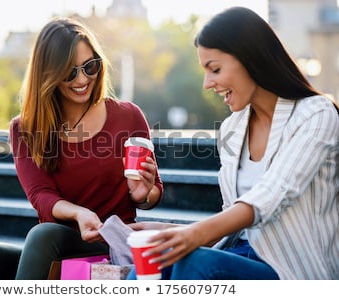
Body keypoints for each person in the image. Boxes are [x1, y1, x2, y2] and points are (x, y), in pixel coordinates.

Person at [127, 6, 338, 280]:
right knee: (153, 264)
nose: (207, 83)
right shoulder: (232, 128)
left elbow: (273, 193)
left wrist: (192, 235)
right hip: (238, 254)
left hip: (292, 270)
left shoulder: (315, 114)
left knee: (196, 264)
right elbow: (233, 218)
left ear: (251, 59)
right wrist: (168, 230)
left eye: (214, 69)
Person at [0, 17, 163, 280]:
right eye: (70, 72)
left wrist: (143, 193)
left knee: (43, 234)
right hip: (56, 246)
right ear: (48, 74)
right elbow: (41, 195)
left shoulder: (128, 115)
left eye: (90, 66)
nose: (83, 78)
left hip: (112, 244)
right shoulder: (23, 129)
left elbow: (153, 193)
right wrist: (78, 213)